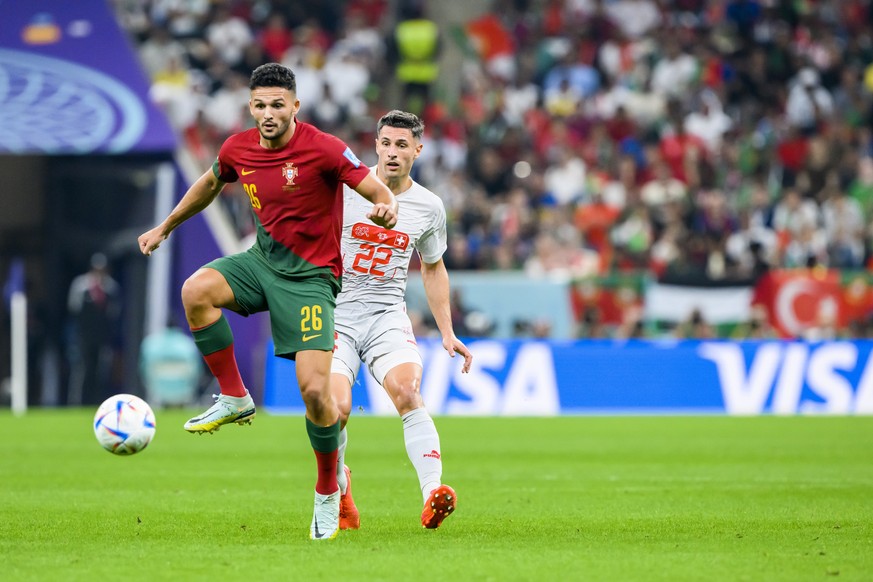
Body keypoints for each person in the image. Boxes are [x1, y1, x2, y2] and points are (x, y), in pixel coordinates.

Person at [137, 63, 398, 541]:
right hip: (262, 263)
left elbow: (375, 187)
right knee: (196, 291)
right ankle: (235, 397)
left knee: (316, 394)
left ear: (295, 106)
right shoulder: (237, 148)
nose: (268, 113)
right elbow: (211, 183)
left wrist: (385, 207)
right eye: (259, 104)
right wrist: (165, 227)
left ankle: (326, 492)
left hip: (311, 281)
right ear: (250, 106)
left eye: (278, 104)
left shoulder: (322, 148)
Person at [329, 110, 473, 531]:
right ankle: (340, 486)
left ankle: (433, 494)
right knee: (335, 410)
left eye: (402, 146)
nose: (392, 153)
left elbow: (432, 266)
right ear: (375, 145)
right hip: (335, 314)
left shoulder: (429, 207)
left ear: (418, 150)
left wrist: (446, 331)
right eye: (386, 144)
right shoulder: (344, 190)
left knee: (408, 392)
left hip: (387, 316)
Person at [66, 252, 121, 406]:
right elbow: (74, 309)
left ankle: (98, 402)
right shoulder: (80, 286)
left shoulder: (111, 288)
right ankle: (77, 403)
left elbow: (114, 313)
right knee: (81, 370)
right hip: (83, 336)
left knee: (101, 371)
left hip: (102, 337)